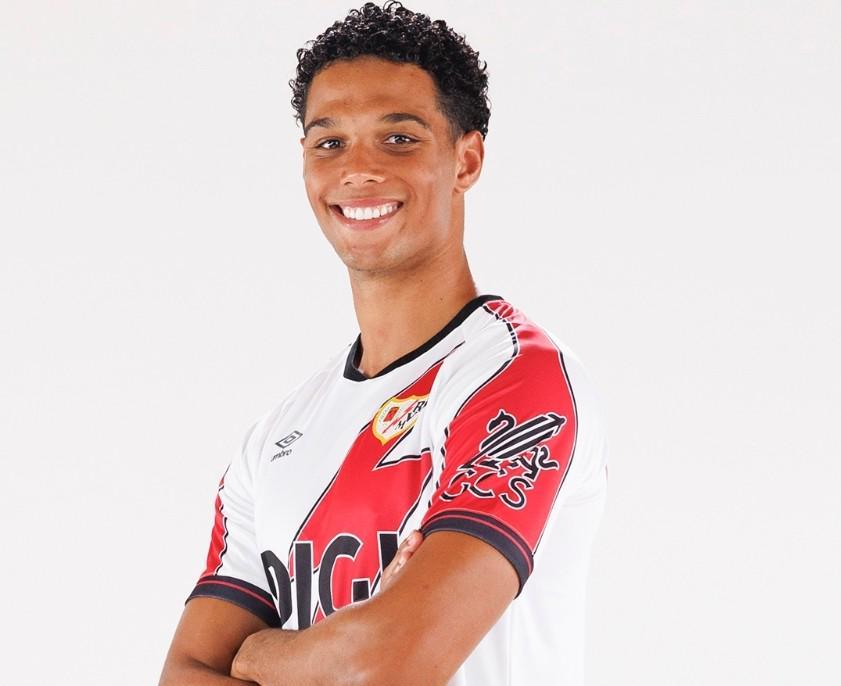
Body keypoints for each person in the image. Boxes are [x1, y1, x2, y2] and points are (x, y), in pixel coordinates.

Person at [159, 2, 608, 685]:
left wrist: (257, 655)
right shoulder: (272, 442)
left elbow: (389, 664)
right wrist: (353, 641)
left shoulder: (519, 381)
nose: (358, 169)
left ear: (466, 159)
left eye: (398, 138)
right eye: (329, 143)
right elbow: (185, 673)